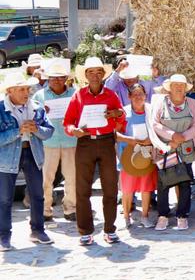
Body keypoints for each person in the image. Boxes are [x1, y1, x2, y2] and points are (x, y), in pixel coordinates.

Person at [62, 57, 127, 246]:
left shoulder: (111, 95)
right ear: (85, 75)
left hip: (106, 142)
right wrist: (73, 130)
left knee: (110, 188)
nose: (95, 75)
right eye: (91, 72)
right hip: (85, 143)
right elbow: (68, 122)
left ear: (103, 74)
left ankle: (110, 230)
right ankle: (85, 232)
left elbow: (122, 118)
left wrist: (117, 114)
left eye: (99, 72)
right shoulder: (79, 96)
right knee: (82, 189)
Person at [0, 72, 54, 250]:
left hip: (33, 154)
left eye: (27, 89)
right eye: (21, 89)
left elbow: (49, 132)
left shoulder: (36, 107)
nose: (26, 93)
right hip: (7, 158)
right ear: (10, 91)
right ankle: (3, 236)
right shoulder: (0, 109)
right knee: (4, 199)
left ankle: (38, 231)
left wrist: (36, 129)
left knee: (37, 195)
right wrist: (18, 131)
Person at [147, 75, 195, 232]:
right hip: (166, 147)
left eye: (181, 85)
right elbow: (154, 123)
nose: (178, 88)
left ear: (185, 88)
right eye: (175, 85)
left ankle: (182, 216)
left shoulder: (192, 103)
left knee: (184, 182)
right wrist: (172, 136)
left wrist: (182, 137)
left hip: (185, 147)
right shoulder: (160, 102)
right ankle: (163, 216)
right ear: (169, 88)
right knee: (163, 182)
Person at [33, 59, 76, 223]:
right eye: (53, 77)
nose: (57, 80)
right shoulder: (39, 96)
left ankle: (70, 208)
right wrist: (41, 113)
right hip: (48, 142)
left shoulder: (74, 94)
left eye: (60, 77)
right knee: (46, 178)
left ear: (65, 78)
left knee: (72, 177)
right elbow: (33, 118)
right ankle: (45, 210)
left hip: (70, 141)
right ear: (48, 78)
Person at [116, 84, 155, 228]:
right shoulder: (123, 113)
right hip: (128, 156)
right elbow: (115, 134)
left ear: (145, 95)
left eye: (141, 94)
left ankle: (145, 217)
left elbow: (158, 129)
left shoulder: (151, 111)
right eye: (135, 94)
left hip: (146, 155)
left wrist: (151, 139)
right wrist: (129, 140)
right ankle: (126, 217)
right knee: (127, 189)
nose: (138, 97)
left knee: (146, 187)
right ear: (129, 97)